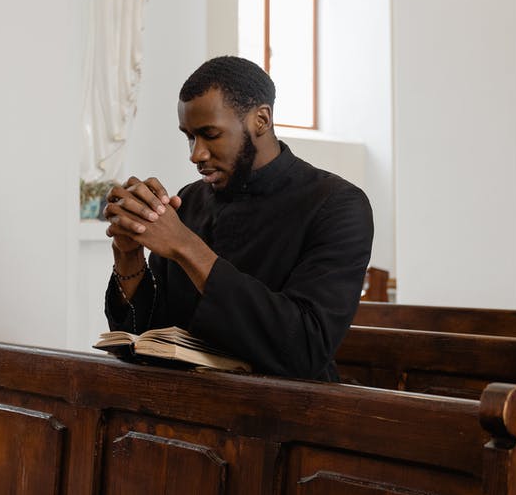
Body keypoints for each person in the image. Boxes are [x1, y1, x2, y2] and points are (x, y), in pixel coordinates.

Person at [102, 56, 374, 381]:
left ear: (261, 119)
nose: (195, 153)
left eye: (210, 134)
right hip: (184, 406)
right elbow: (150, 337)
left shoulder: (337, 205)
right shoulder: (188, 201)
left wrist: (186, 246)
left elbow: (305, 348)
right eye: (189, 136)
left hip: (289, 415)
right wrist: (129, 253)